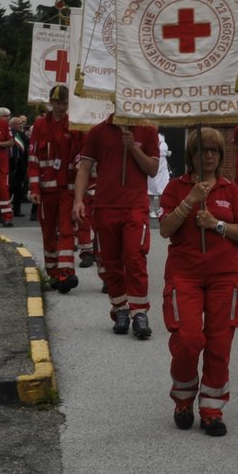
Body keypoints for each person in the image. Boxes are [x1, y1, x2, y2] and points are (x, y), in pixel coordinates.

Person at [159, 127, 238, 437]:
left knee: (219, 343)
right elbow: (165, 229)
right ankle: (183, 399)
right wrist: (191, 200)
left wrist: (216, 224)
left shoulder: (230, 189)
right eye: (203, 150)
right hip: (184, 274)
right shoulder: (175, 187)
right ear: (192, 156)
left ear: (221, 156)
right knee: (188, 340)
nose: (209, 156)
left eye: (214, 151)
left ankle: (211, 408)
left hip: (225, 275)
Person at [73, 114, 160, 340]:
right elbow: (84, 168)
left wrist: (133, 147)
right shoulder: (97, 132)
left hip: (135, 207)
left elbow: (152, 169)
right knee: (109, 261)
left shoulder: (148, 130)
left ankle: (140, 313)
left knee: (134, 256)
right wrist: (78, 200)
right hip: (105, 206)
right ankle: (120, 309)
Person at [28, 85, 83, 292]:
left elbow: (81, 154)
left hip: (67, 189)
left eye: (64, 103)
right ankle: (52, 274)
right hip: (45, 191)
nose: (61, 107)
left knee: (67, 230)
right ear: (50, 102)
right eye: (58, 103)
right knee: (48, 233)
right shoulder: (40, 125)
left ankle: (66, 274)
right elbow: (32, 159)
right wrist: (34, 188)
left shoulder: (75, 125)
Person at [8, 113, 30, 218]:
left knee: (18, 189)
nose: (21, 126)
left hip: (21, 165)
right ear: (12, 125)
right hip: (11, 164)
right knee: (10, 188)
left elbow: (25, 149)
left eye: (22, 124)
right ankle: (3, 208)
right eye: (19, 124)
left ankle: (17, 210)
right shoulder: (10, 134)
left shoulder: (21, 134)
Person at [147, 129, 171, 219]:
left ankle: (158, 209)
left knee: (162, 190)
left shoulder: (162, 140)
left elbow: (164, 152)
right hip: (154, 166)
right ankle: (152, 209)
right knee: (151, 191)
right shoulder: (151, 139)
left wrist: (167, 153)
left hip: (161, 168)